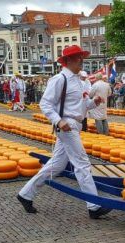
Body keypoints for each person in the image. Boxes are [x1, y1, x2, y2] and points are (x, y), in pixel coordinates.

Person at [17, 45, 112, 219]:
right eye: (77, 58)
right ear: (67, 61)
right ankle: (94, 205)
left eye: (81, 57)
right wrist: (58, 121)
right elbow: (45, 104)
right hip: (66, 126)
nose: (81, 60)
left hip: (76, 124)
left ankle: (25, 194)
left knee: (57, 164)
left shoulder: (81, 80)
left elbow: (81, 106)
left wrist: (94, 102)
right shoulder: (59, 79)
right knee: (82, 162)